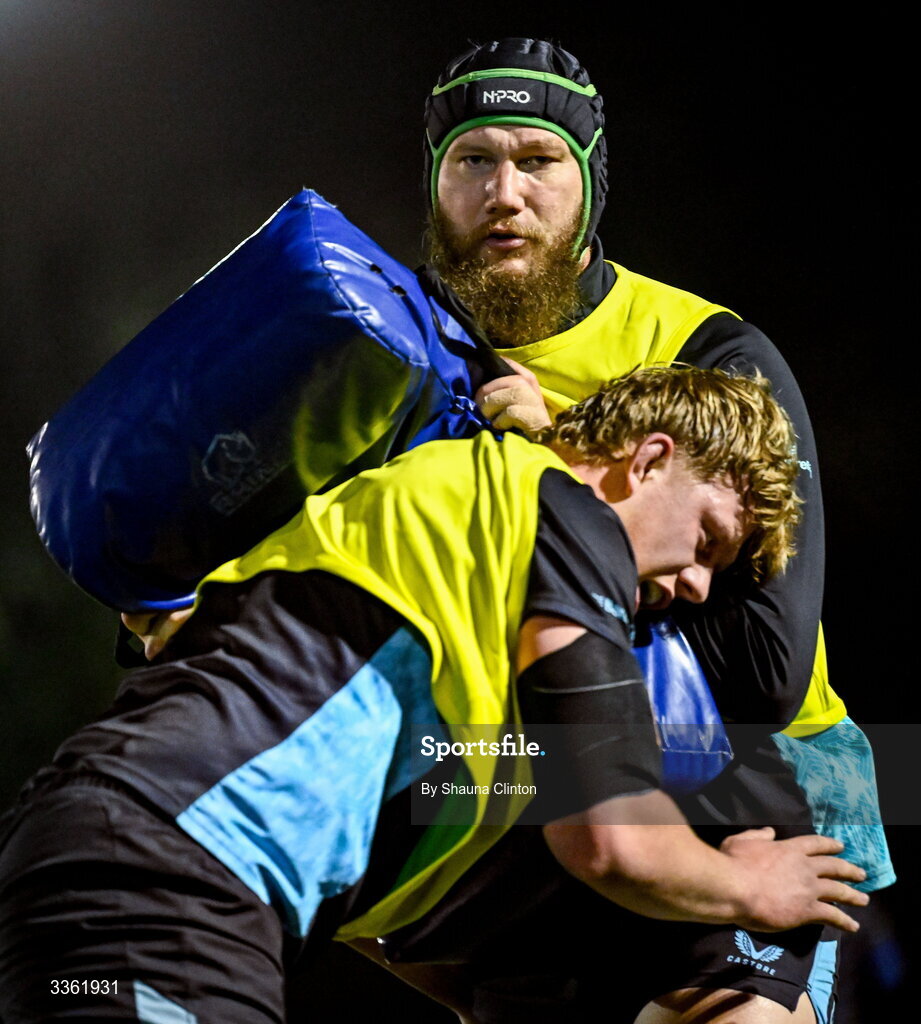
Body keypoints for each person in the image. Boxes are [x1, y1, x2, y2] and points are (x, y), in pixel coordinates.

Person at [0, 367, 866, 1023]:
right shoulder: (560, 512)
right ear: (646, 461)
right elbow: (608, 840)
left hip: (101, 885)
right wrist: (750, 888)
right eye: (708, 540)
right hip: (168, 881)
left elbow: (383, 901)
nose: (698, 588)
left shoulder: (452, 517)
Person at [342, 37, 892, 1024]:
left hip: (748, 781)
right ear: (436, 185)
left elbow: (761, 667)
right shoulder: (387, 358)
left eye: (539, 160)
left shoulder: (707, 350)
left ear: (589, 185)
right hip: (516, 798)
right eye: (474, 160)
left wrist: (557, 469)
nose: (505, 192)